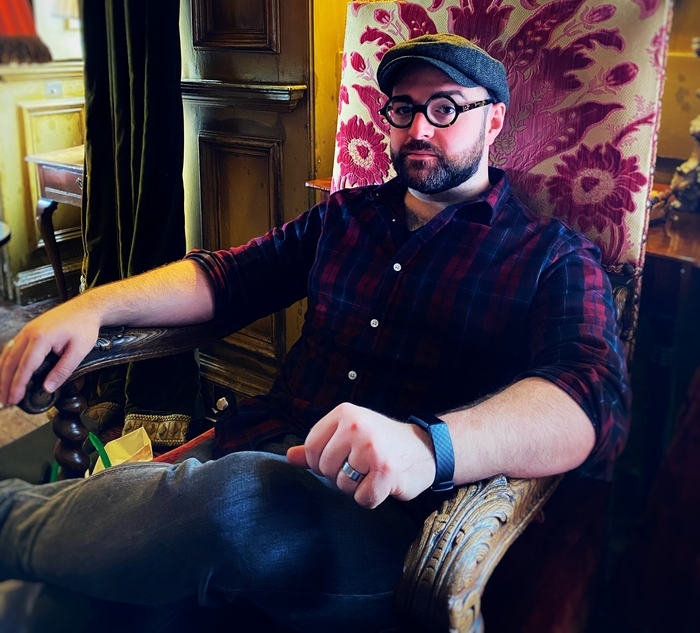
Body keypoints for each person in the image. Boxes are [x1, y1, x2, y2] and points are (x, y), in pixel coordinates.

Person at [0, 34, 630, 633]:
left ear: (493, 121)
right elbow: (230, 277)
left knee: (233, 501)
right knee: (75, 599)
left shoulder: (549, 254)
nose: (419, 129)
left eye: (445, 108)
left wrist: (427, 444)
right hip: (262, 450)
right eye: (403, 109)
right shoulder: (344, 216)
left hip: (385, 518)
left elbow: (592, 397)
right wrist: (92, 306)